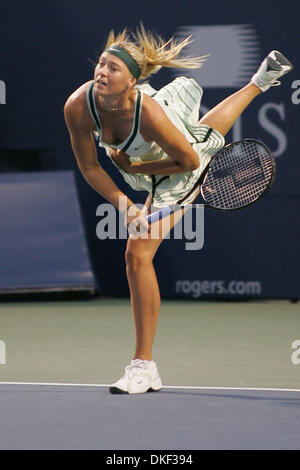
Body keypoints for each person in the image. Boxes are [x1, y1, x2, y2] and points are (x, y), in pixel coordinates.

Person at [64, 25, 293, 394]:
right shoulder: (79, 105)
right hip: (152, 152)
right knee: (203, 134)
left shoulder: (149, 113)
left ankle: (143, 366)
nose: (102, 73)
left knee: (136, 255)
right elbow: (90, 167)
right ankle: (260, 81)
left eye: (113, 69)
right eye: (102, 64)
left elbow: (186, 162)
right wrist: (125, 205)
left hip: (175, 169)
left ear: (132, 83)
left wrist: (136, 170)